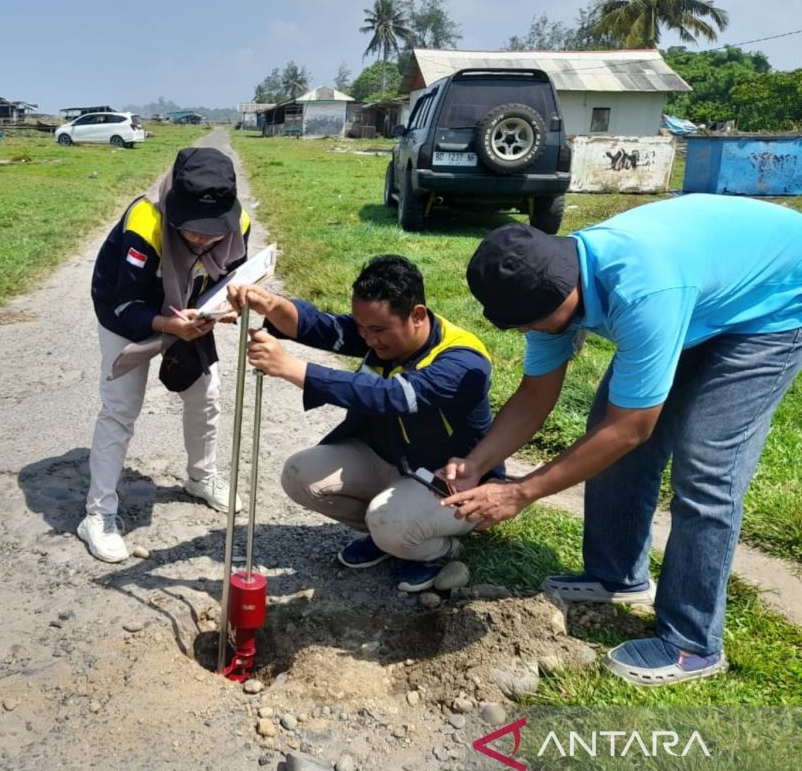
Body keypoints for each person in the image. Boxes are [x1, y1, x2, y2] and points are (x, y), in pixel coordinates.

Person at [444, 194, 802, 686]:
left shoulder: (641, 292)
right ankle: (617, 577)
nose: (526, 330)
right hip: (703, 288)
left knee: (706, 463)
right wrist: (478, 461)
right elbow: (535, 393)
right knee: (604, 436)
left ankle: (693, 643)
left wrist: (521, 492)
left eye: (530, 320)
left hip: (774, 302)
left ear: (564, 289)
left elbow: (632, 428)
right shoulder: (548, 286)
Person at [226, 255, 501, 591]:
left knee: (391, 523)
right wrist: (271, 305)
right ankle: (389, 534)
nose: (369, 340)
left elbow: (391, 396)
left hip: (448, 481)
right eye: (362, 328)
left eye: (378, 330)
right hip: (390, 459)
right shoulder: (381, 332)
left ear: (417, 315)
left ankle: (437, 549)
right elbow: (320, 326)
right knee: (299, 474)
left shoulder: (463, 362)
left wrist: (292, 368)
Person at [80, 147, 252, 563]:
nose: (205, 239)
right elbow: (124, 302)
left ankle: (201, 477)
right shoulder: (145, 223)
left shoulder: (237, 223)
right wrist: (166, 325)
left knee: (206, 395)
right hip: (126, 309)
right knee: (121, 407)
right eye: (195, 229)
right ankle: (98, 514)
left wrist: (226, 308)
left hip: (190, 311)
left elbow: (230, 278)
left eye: (214, 230)